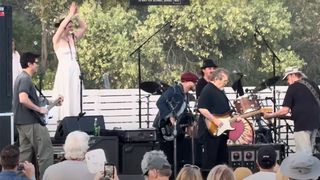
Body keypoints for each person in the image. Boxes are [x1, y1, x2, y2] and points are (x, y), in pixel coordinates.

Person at [13, 52, 63, 179]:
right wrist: (39, 110)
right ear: (29, 64)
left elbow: (34, 101)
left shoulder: (20, 78)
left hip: (22, 123)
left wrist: (53, 102)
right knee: (45, 153)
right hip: (32, 122)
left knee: (25, 156)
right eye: (35, 62)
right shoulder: (25, 79)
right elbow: (23, 99)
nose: (37, 65)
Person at [264, 67, 320, 154]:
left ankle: (304, 167)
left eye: (287, 78)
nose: (287, 81)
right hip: (316, 125)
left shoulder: (293, 87)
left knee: (303, 156)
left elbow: (285, 110)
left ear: (293, 75)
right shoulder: (313, 84)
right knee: (310, 154)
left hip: (302, 126)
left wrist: (270, 115)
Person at [155, 72, 198, 173]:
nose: (196, 85)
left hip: (176, 130)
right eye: (194, 82)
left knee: (177, 158)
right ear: (188, 82)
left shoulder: (186, 95)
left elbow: (182, 112)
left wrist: (191, 121)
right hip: (164, 128)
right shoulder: (173, 90)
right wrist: (169, 116)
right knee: (167, 158)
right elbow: (160, 102)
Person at [52, 1, 87, 121]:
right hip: (64, 72)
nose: (71, 27)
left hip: (74, 70)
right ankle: (64, 121)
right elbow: (61, 27)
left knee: (74, 95)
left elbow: (84, 27)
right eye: (69, 25)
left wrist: (77, 15)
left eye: (72, 25)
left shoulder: (72, 38)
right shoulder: (56, 39)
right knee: (65, 95)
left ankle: (75, 119)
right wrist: (70, 14)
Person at [197, 68, 235, 172]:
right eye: (225, 81)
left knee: (222, 161)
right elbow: (201, 108)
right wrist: (214, 120)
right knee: (210, 161)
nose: (226, 84)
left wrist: (235, 118)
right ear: (217, 78)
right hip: (211, 132)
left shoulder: (220, 91)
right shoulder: (208, 89)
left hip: (221, 132)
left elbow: (225, 112)